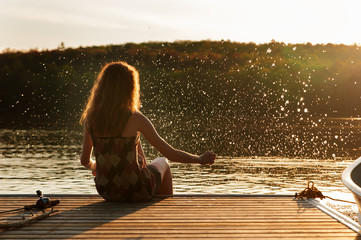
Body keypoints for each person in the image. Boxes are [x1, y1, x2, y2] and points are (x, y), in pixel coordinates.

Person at [79, 61, 216, 202]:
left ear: (102, 87)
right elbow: (171, 154)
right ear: (130, 88)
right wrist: (200, 159)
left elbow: (84, 161)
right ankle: (165, 210)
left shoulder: (91, 118)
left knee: (138, 149)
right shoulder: (135, 118)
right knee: (163, 162)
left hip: (107, 191)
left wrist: (97, 166)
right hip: (136, 189)